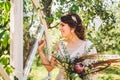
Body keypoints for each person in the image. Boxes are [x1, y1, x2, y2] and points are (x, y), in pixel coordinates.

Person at [38, 13, 97, 80]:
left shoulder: (87, 46)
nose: (60, 28)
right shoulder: (59, 45)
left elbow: (93, 72)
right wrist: (40, 51)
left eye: (62, 25)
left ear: (73, 28)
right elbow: (49, 68)